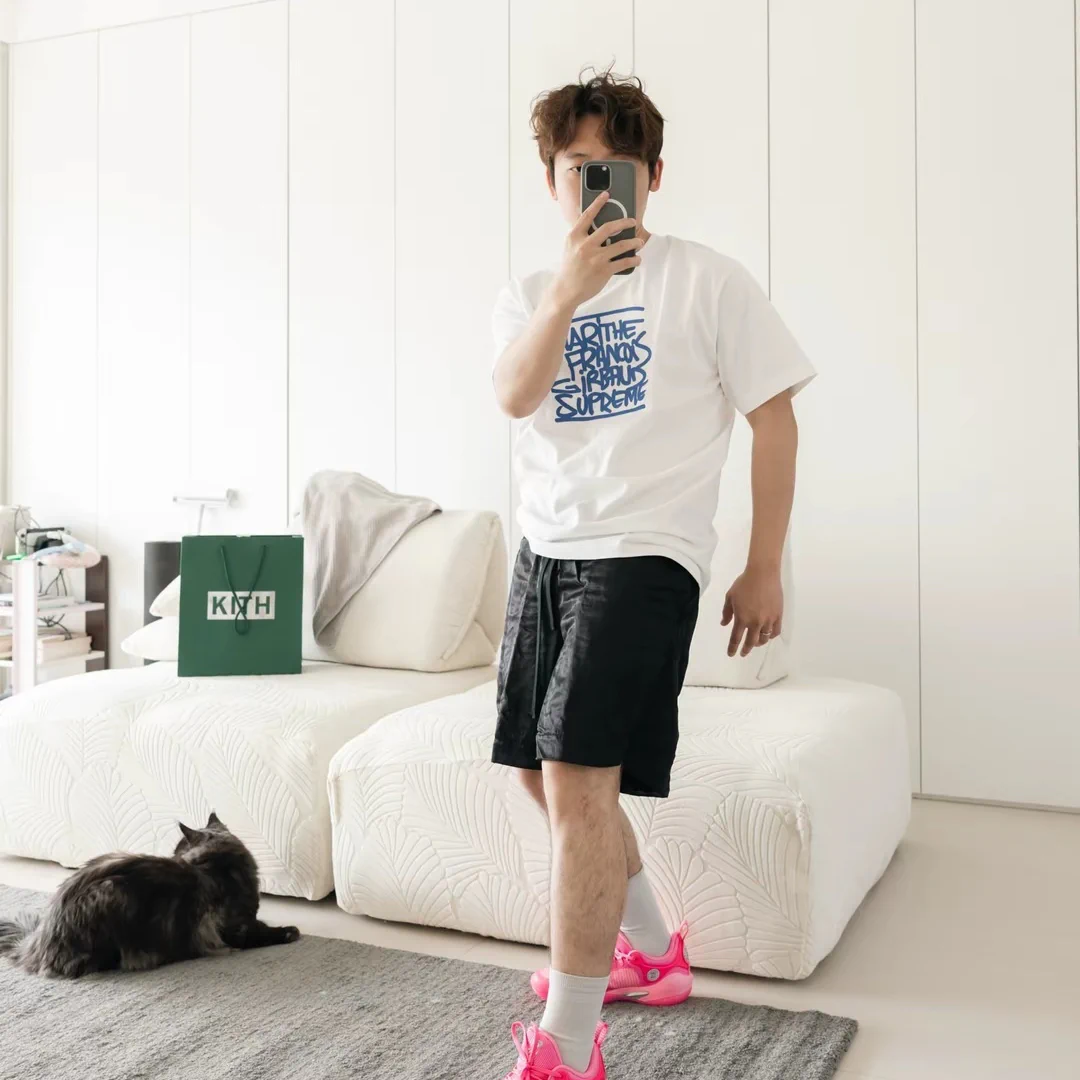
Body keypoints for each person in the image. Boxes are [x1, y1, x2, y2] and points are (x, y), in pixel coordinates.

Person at [490, 69, 816, 1080]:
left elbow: (774, 418)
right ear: (550, 180)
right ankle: (649, 954)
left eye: (616, 168)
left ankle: (569, 1046)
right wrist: (568, 293)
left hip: (645, 555)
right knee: (537, 774)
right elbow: (513, 396)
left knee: (579, 780)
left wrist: (764, 565)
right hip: (545, 552)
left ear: (654, 176)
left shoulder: (707, 281)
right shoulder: (529, 294)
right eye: (576, 168)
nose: (595, 186)